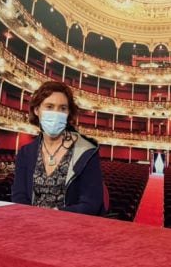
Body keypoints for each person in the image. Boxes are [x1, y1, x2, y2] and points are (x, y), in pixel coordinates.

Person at [11, 80, 105, 215]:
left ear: (68, 113)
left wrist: (53, 215)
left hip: (71, 226)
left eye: (63, 108)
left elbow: (91, 204)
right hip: (31, 223)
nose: (56, 113)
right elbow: (19, 196)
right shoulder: (25, 152)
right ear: (37, 110)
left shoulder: (87, 151)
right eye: (49, 106)